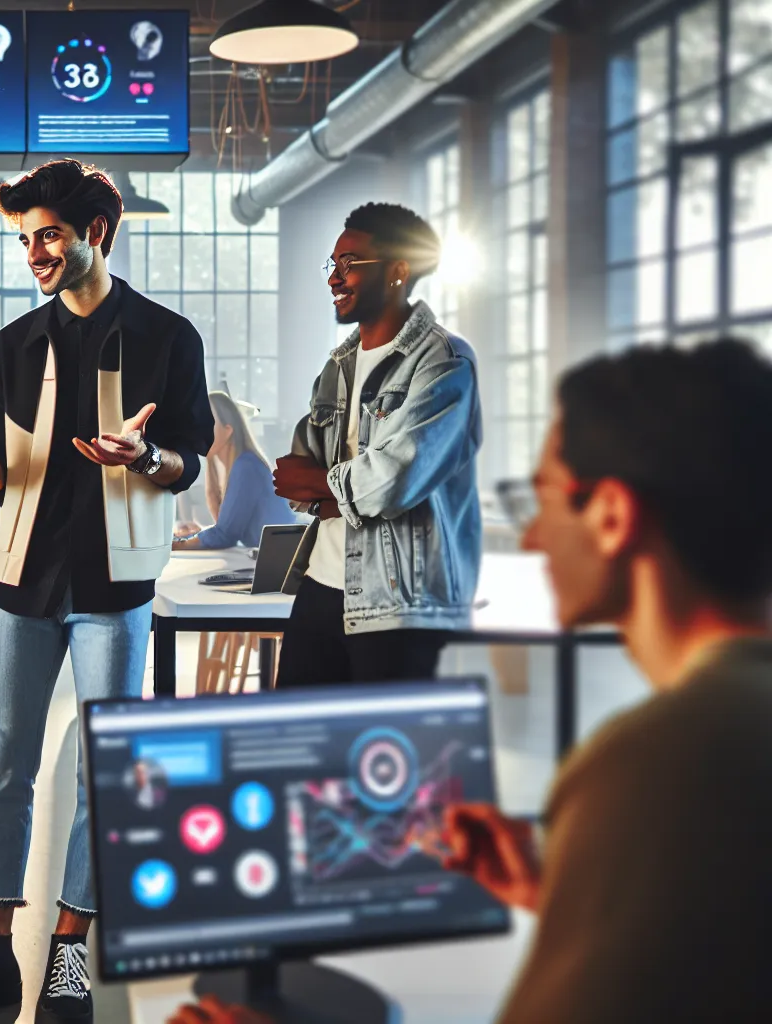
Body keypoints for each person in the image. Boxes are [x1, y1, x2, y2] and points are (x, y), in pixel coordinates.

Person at [174, 340, 772, 1024]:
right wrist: (565, 895)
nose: (536, 538)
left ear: (611, 515)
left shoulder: (649, 766)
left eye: (538, 498)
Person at [0, 159, 213, 1023]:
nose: (34, 252)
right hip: (22, 584)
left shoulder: (166, 337)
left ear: (95, 236)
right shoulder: (16, 343)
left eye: (48, 236)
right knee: (7, 767)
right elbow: (2, 477)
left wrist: (145, 459)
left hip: (117, 585)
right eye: (24, 239)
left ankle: (69, 951)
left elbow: (187, 458)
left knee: (100, 769)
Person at [271, 203, 482, 687]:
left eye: (351, 264)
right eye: (333, 264)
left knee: (385, 757)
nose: (334, 278)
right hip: (321, 588)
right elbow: (294, 478)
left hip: (398, 608)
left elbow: (395, 479)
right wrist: (343, 490)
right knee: (304, 753)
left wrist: (333, 488)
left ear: (398, 272)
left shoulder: (445, 362)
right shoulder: (338, 366)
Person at [173, 392, 299, 549]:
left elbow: (225, 536)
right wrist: (189, 538)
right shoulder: (243, 464)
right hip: (277, 552)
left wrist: (176, 545)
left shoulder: (246, 467)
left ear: (228, 430)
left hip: (282, 555)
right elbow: (224, 528)